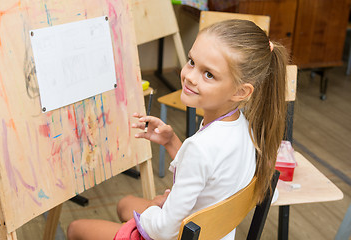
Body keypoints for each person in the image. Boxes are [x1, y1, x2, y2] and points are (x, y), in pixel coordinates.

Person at [67, 19, 288, 240]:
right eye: (191, 61)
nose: (189, 77)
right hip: (215, 233)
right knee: (125, 204)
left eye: (208, 74)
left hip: (180, 234)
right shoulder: (247, 129)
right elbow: (208, 171)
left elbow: (164, 230)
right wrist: (171, 141)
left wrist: (155, 206)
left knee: (75, 228)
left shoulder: (200, 148)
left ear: (240, 92)